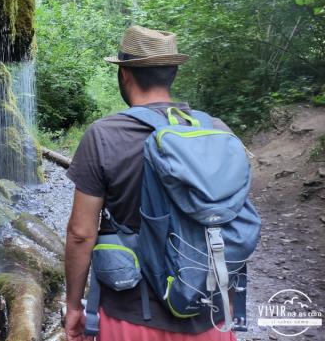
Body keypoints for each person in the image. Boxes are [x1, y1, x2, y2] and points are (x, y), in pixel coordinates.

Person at [63, 25, 237, 341]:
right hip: (210, 314)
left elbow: (80, 233)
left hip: (131, 318)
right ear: (173, 73)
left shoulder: (104, 135)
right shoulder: (216, 130)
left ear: (125, 74)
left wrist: (74, 306)